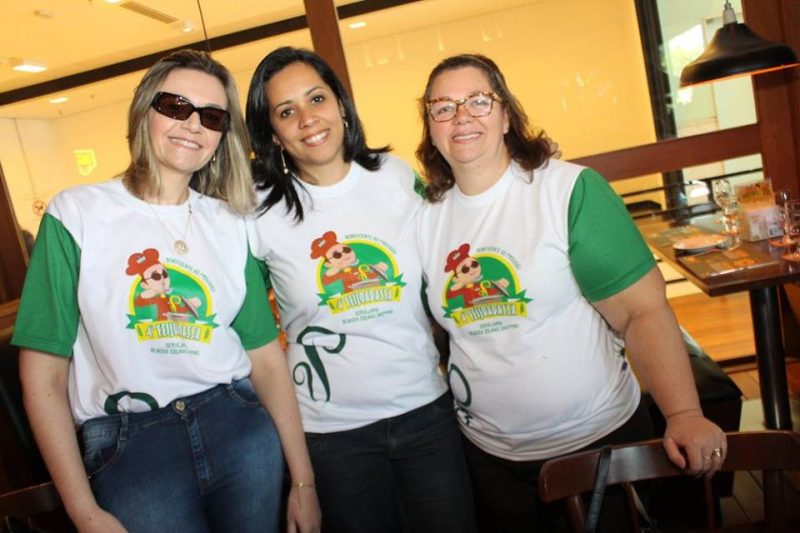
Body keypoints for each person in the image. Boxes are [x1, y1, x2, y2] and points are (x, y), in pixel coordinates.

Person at [414, 53, 727, 531]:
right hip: (490, 459)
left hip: (598, 450)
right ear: (431, 129)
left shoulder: (568, 191)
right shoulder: (425, 218)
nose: (461, 117)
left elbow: (641, 312)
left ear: (506, 115)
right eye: (443, 107)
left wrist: (684, 412)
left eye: (478, 101)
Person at [12, 49, 320, 533]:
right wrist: (83, 511)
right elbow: (42, 374)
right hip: (132, 448)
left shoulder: (231, 222)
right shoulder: (76, 214)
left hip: (238, 428)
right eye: (176, 106)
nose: (192, 124)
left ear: (221, 137)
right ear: (144, 112)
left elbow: (265, 359)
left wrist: (303, 480)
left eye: (212, 116)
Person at [245, 46, 476, 533]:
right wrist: (301, 480)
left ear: (341, 105)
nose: (307, 119)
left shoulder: (395, 177)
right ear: (272, 133)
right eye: (286, 112)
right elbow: (251, 334)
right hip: (331, 436)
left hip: (426, 414)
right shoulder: (257, 212)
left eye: (317, 99)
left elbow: (451, 257)